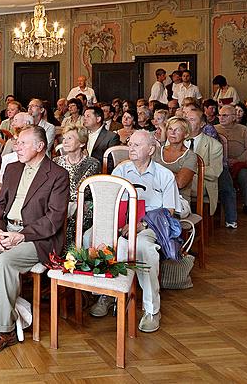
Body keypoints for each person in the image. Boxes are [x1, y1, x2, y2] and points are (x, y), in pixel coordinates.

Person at [0, 126, 70, 352]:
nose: (16, 147)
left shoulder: (57, 174)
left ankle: (2, 329)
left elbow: (54, 220)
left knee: (5, 262)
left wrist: (21, 236)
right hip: (6, 230)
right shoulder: (13, 168)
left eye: (23, 143)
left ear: (40, 146)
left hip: (38, 239)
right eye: (16, 142)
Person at [90, 130, 181, 333]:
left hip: (149, 225)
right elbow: (110, 201)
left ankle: (151, 309)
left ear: (151, 149)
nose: (131, 148)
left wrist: (141, 225)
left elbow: (169, 211)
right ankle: (108, 294)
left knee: (142, 248)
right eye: (130, 144)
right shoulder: (121, 171)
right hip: (121, 223)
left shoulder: (164, 175)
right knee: (101, 240)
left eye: (137, 145)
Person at [184, 108, 233, 227]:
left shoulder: (214, 145)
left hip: (204, 182)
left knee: (176, 184)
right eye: (186, 119)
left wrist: (189, 169)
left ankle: (180, 218)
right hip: (182, 180)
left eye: (192, 119)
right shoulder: (177, 140)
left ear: (202, 124)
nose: (187, 122)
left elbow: (215, 172)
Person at [53, 126, 100, 247]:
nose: (65, 141)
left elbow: (83, 190)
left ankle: (71, 257)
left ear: (81, 143)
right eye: (64, 138)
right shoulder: (56, 161)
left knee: (75, 210)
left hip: (82, 204)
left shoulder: (92, 163)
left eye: (70, 138)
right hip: (60, 203)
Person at [215, 105, 247, 216]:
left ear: (233, 117)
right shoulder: (214, 129)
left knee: (246, 176)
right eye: (220, 115)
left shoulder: (243, 130)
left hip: (239, 163)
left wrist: (237, 160)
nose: (221, 118)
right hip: (219, 163)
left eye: (225, 115)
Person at [154, 117, 198, 216]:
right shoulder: (156, 151)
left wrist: (156, 172)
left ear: (186, 134)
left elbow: (179, 183)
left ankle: (146, 227)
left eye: (177, 130)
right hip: (155, 196)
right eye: (170, 129)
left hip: (179, 199)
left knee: (158, 211)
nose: (172, 132)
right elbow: (146, 176)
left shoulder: (190, 156)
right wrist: (173, 174)